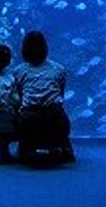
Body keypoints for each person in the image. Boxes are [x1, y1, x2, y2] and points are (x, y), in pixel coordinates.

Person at [14, 31, 74, 165]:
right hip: (56, 119)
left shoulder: (19, 71)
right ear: (45, 47)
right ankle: (62, 146)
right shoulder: (59, 68)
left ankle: (26, 148)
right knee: (56, 111)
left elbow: (19, 97)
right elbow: (60, 95)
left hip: (30, 120)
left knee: (20, 111)